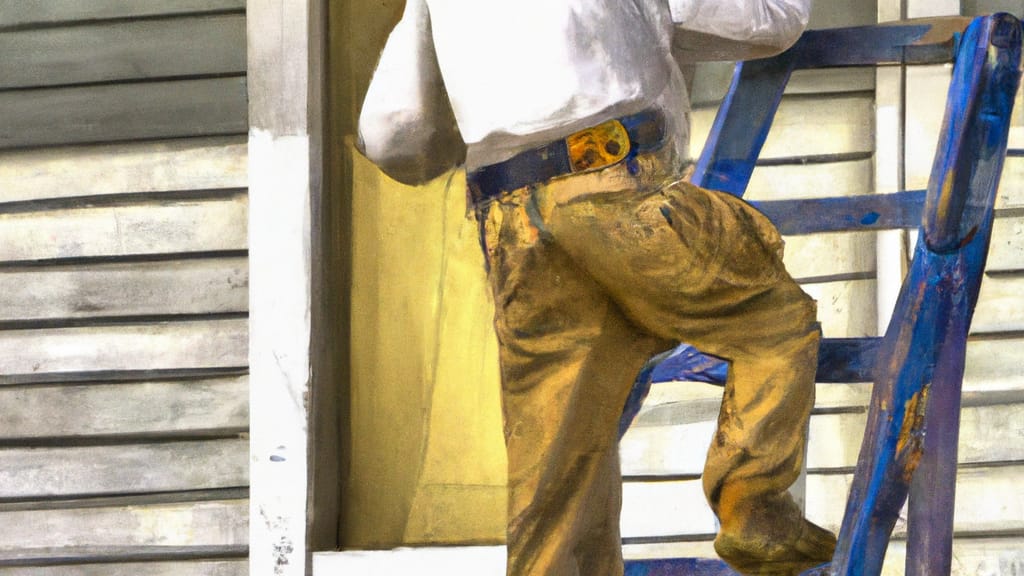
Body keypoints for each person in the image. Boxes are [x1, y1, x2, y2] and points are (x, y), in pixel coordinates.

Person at [357, 1, 837, 574]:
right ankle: (753, 503)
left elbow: (391, 136)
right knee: (772, 322)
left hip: (508, 214)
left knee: (557, 469)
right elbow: (765, 22)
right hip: (615, 180)